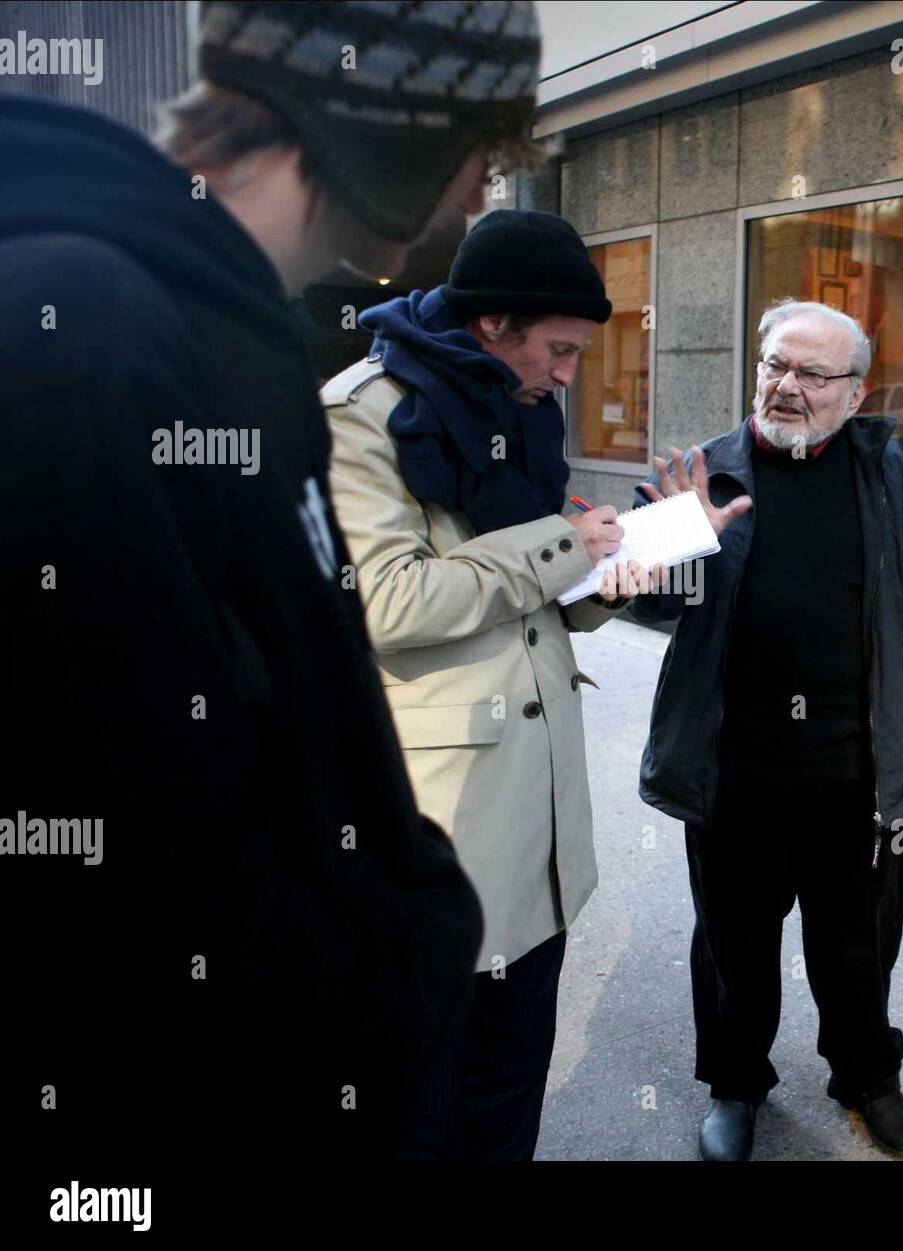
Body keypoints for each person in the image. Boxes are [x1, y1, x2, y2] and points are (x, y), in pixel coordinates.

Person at [0, 0, 545, 1167]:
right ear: (392, 121)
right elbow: (124, 865)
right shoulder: (78, 335)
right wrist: (396, 962)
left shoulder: (232, 334)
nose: (480, 198)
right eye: (483, 151)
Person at [322, 208, 744, 1159]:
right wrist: (564, 545)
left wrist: (616, 573)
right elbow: (388, 601)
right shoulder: (363, 417)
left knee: (510, 1098)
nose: (568, 374)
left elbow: (536, 599)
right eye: (558, 350)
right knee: (420, 1110)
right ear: (491, 325)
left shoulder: (523, 411)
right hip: (441, 834)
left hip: (540, 829)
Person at [626, 298, 903, 1161]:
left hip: (860, 771)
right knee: (733, 947)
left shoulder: (898, 480)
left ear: (856, 394)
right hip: (734, 769)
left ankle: (866, 1073)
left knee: (859, 946)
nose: (786, 387)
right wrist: (662, 550)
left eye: (811, 373)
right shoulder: (707, 474)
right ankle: (735, 1083)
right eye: (774, 366)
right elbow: (640, 596)